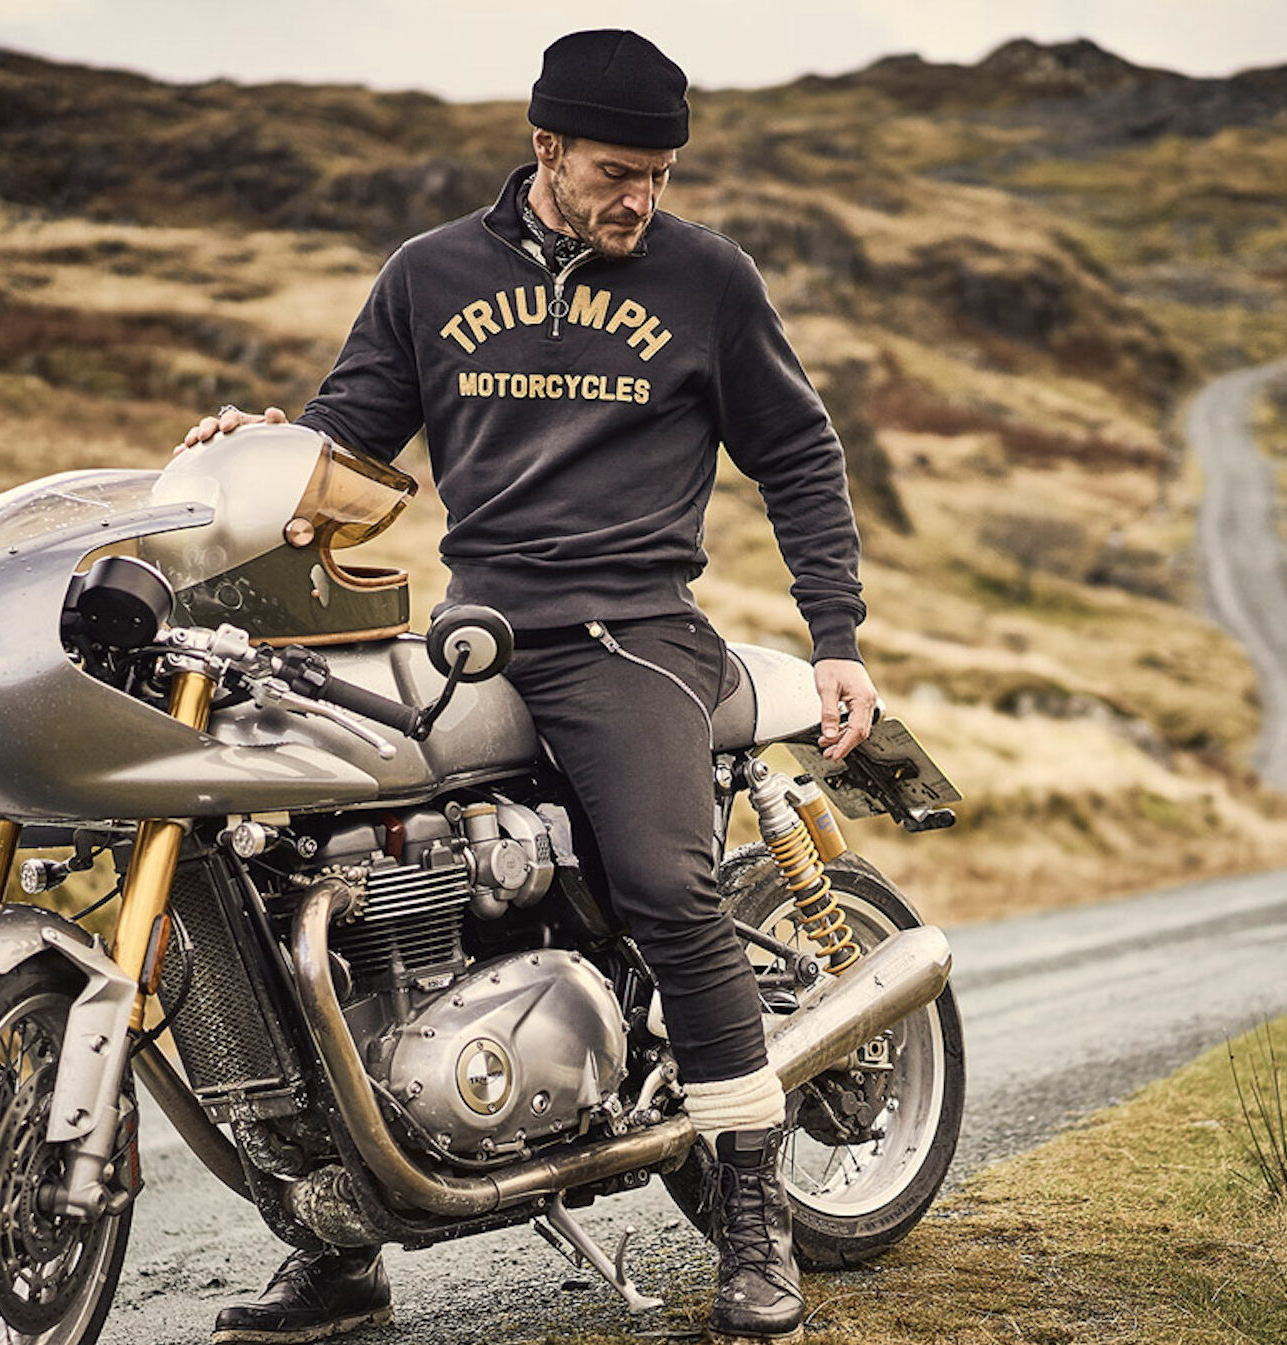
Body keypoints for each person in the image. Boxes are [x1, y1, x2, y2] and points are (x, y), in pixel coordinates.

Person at [182, 29, 878, 1345]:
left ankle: (751, 1208)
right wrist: (260, 457)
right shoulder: (429, 274)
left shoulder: (705, 280)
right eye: (618, 171)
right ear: (542, 146)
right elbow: (349, 451)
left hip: (632, 635)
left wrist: (833, 633)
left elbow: (798, 453)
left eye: (660, 176)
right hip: (479, 636)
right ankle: (341, 1238)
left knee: (673, 889)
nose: (640, 200)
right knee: (292, 876)